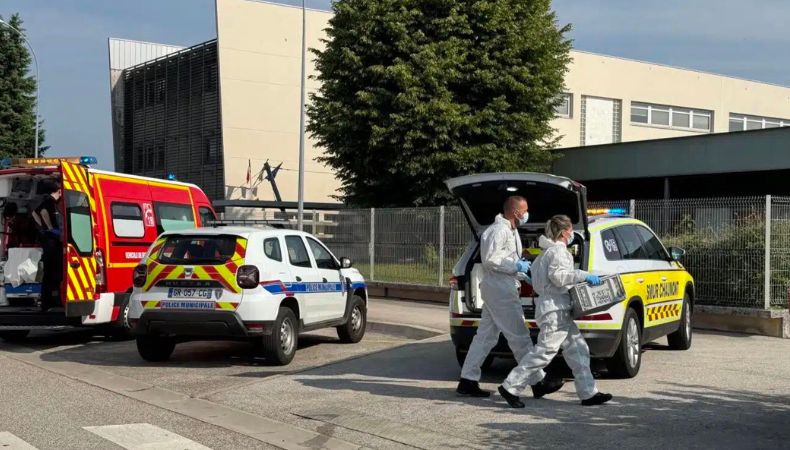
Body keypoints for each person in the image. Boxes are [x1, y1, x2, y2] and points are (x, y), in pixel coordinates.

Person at [498, 214, 613, 407]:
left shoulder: (545, 253)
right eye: (570, 230)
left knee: (578, 350)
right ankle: (511, 386)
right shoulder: (559, 253)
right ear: (565, 231)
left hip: (555, 308)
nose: (572, 234)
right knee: (544, 352)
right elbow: (559, 278)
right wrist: (585, 275)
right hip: (555, 309)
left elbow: (536, 280)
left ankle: (588, 393)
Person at [456, 196, 563, 399]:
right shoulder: (498, 231)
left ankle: (467, 380)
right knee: (519, 336)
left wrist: (525, 274)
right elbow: (491, 261)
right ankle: (538, 381)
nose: (527, 214)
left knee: (485, 338)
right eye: (525, 210)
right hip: (500, 290)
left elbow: (508, 262)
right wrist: (517, 267)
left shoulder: (510, 231)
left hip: (500, 287)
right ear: (516, 212)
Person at [34, 181, 63, 310]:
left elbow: (35, 213)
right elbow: (41, 212)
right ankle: (50, 301)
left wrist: (43, 226)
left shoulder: (48, 202)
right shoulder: (50, 202)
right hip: (52, 243)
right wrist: (50, 228)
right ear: (59, 191)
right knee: (54, 273)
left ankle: (48, 301)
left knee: (49, 273)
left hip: (49, 241)